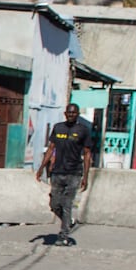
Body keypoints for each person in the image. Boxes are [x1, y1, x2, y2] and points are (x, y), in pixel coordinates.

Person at [36, 103, 94, 247]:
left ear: (78, 114)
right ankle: (68, 222)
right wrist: (42, 167)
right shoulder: (58, 128)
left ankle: (63, 236)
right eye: (69, 113)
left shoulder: (83, 130)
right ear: (65, 113)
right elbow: (51, 149)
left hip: (74, 173)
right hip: (57, 172)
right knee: (55, 203)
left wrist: (85, 176)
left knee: (67, 203)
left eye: (74, 113)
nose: (71, 115)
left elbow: (87, 154)